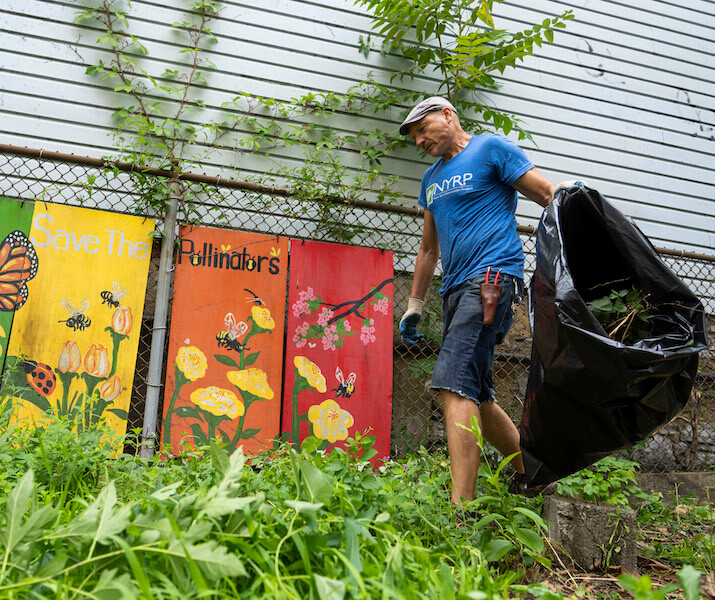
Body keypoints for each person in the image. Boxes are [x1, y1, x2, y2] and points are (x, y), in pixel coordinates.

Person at [397, 97, 560, 508]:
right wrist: (415, 304)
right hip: (455, 290)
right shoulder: (431, 180)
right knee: (478, 397)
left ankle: (461, 512)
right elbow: (428, 251)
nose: (419, 140)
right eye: (413, 136)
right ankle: (534, 479)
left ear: (448, 115)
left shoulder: (491, 150)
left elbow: (547, 194)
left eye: (422, 128)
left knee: (451, 384)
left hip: (491, 280)